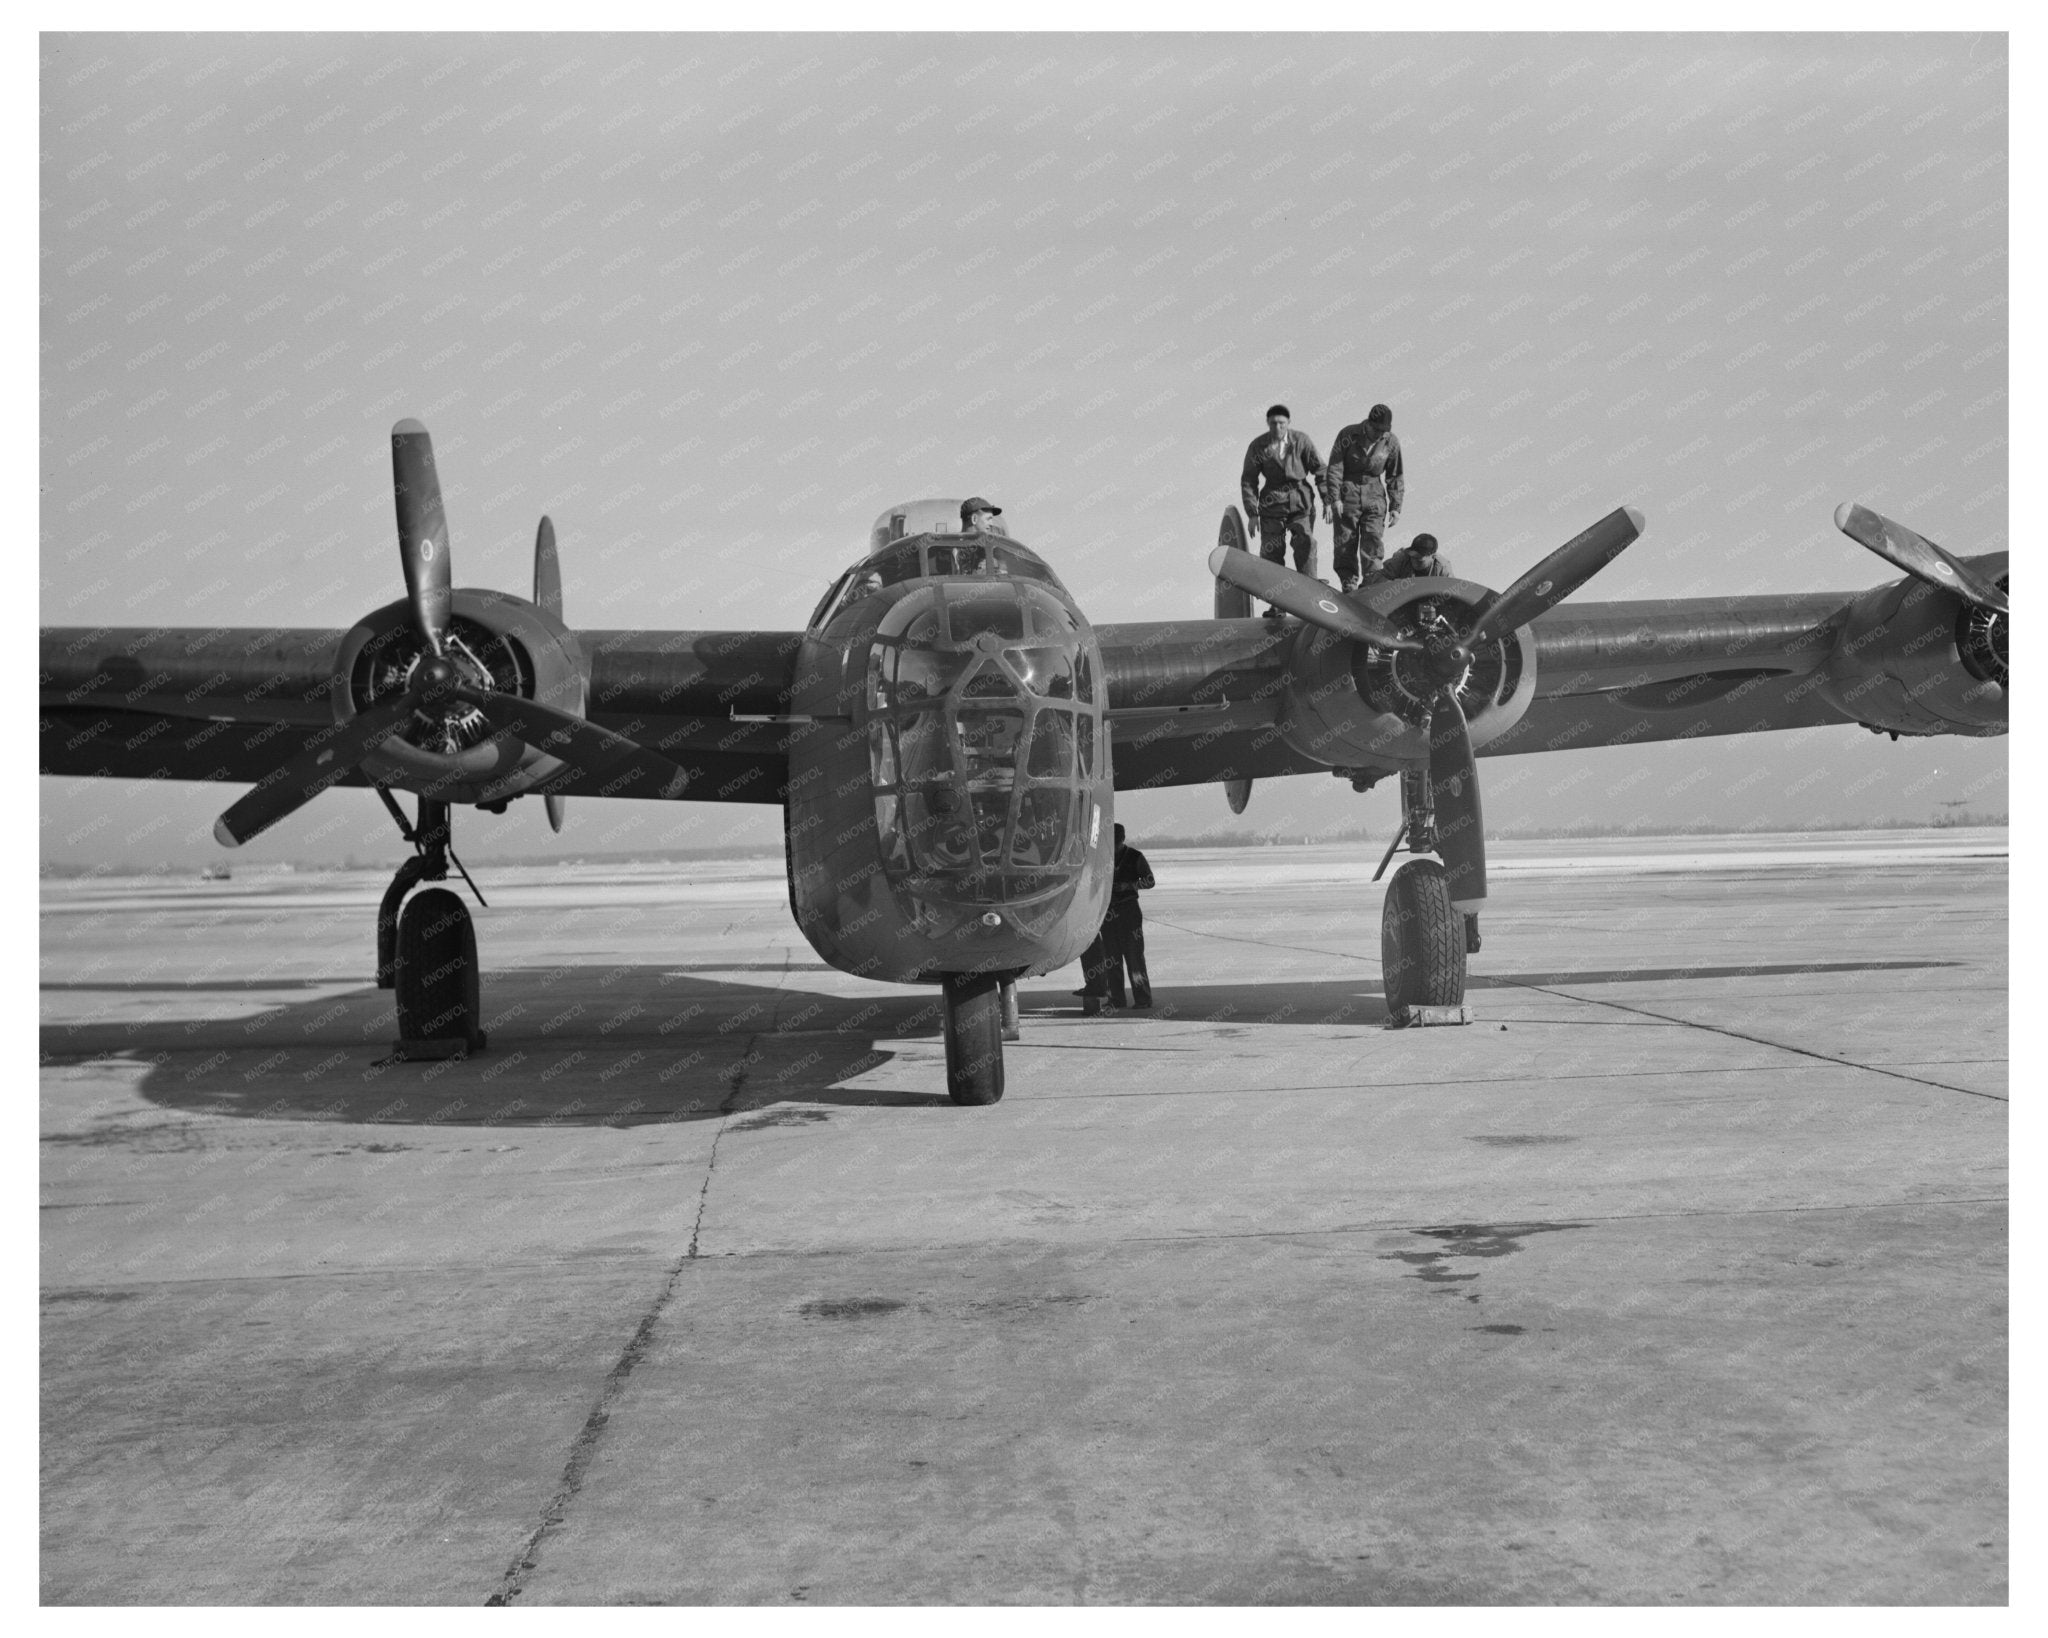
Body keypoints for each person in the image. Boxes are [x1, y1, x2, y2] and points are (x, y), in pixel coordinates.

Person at [1239, 405, 1325, 610]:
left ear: (1288, 423)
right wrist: (1252, 514)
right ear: (1268, 424)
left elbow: (1320, 469)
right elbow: (1249, 480)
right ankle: (1276, 602)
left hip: (1300, 501)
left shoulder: (1301, 441)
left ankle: (1311, 596)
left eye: (1281, 423)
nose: (1277, 427)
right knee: (1271, 552)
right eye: (1273, 423)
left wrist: (1328, 499)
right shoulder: (1258, 446)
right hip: (1272, 504)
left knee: (1305, 543)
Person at [1323, 403, 1404, 592]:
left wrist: (1395, 507)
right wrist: (1334, 498)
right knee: (1345, 542)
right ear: (1368, 423)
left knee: (1373, 541)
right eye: (1376, 429)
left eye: (1383, 431)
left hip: (1375, 494)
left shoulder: (1390, 442)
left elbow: (1395, 475)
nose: (1379, 434)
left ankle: (1371, 586)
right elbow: (1335, 468)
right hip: (1347, 493)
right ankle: (1349, 585)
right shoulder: (1348, 435)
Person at [1076, 824, 1155, 1014]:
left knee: (1134, 958)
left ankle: (1142, 999)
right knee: (1112, 959)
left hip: (1128, 911)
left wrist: (1129, 886)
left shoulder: (1135, 857)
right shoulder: (1103, 859)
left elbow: (1150, 881)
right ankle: (1117, 999)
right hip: (1108, 913)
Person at [1382, 531, 1452, 580]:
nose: (1414, 561)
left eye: (1419, 559)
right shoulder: (1401, 559)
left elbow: (1453, 593)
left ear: (1433, 556)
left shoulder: (1443, 568)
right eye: (1412, 557)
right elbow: (1378, 578)